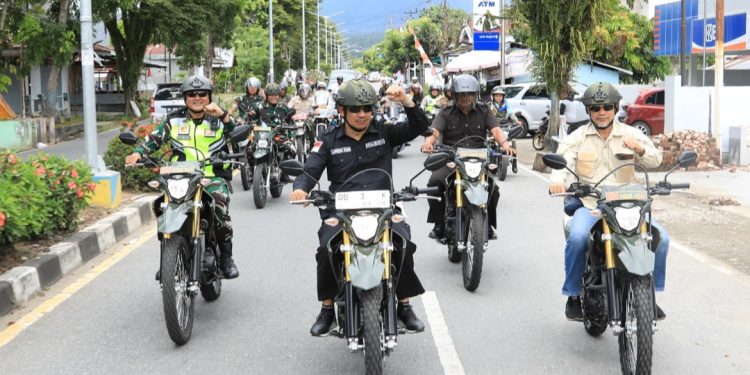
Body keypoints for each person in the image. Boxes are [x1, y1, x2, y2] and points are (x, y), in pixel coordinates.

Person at [290, 79, 430, 336]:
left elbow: (422, 127)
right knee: (326, 249)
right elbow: (310, 171)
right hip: (341, 212)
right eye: (356, 109)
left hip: (383, 208)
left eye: (367, 108)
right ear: (342, 110)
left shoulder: (384, 131)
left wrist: (407, 101)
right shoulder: (328, 140)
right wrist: (301, 188)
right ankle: (327, 308)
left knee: (403, 242)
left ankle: (405, 304)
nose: (362, 114)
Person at [547, 82, 668, 321]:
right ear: (589, 111)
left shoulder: (631, 134)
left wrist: (641, 150)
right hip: (592, 205)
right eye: (595, 108)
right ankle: (573, 295)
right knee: (579, 237)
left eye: (607, 107)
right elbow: (562, 159)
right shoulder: (578, 137)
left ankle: (651, 294)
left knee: (661, 239)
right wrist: (556, 181)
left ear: (615, 108)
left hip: (628, 206)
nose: (602, 112)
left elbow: (656, 160)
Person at [125, 75, 240, 279]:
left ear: (209, 96)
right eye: (192, 94)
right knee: (163, 207)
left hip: (211, 177)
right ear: (185, 98)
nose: (197, 98)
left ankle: (226, 258)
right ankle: (169, 259)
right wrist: (138, 153)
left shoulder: (219, 119)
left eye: (202, 94)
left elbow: (242, 134)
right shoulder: (173, 120)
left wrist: (223, 115)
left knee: (220, 206)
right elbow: (153, 139)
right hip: (180, 176)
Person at [420, 74, 515, 241]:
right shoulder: (445, 112)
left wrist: (506, 145)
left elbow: (496, 130)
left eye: (469, 94)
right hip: (451, 158)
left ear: (475, 95)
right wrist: (429, 143)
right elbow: (435, 131)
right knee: (434, 182)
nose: (465, 98)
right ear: (455, 95)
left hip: (478, 160)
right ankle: (439, 223)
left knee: (492, 189)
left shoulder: (484, 111)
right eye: (461, 94)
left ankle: (488, 225)